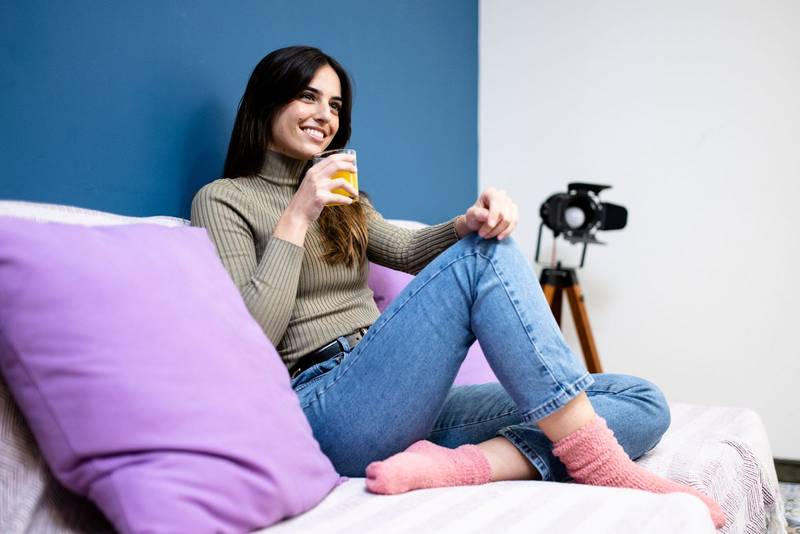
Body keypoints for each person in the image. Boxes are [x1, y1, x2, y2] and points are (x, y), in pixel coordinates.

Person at [191, 46, 724, 528]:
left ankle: (461, 465)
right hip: (322, 406)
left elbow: (404, 251)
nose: (325, 117)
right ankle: (604, 469)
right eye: (309, 97)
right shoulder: (223, 199)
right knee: (485, 259)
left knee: (639, 400)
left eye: (335, 106)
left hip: (399, 398)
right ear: (266, 103)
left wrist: (466, 223)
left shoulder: (345, 197)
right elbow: (252, 334)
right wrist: (298, 213)